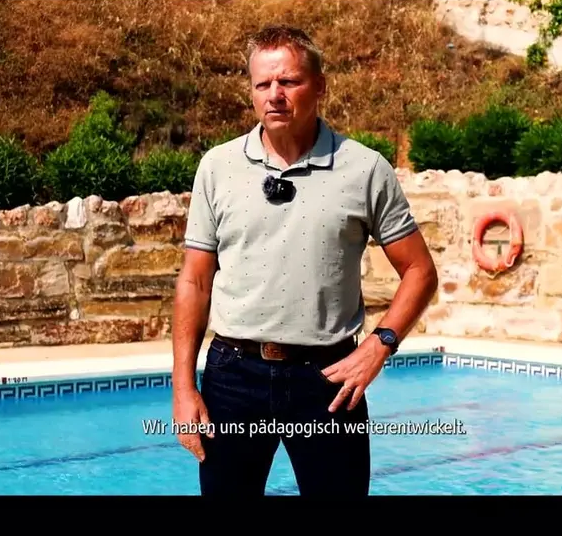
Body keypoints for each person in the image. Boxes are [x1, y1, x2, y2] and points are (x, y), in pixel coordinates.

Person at [170, 24, 438, 497]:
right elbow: (195, 281)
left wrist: (379, 346)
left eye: (289, 81)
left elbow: (420, 270)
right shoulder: (217, 167)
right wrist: (182, 388)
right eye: (262, 83)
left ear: (319, 86)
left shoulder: (365, 169)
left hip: (328, 380)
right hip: (233, 377)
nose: (274, 95)